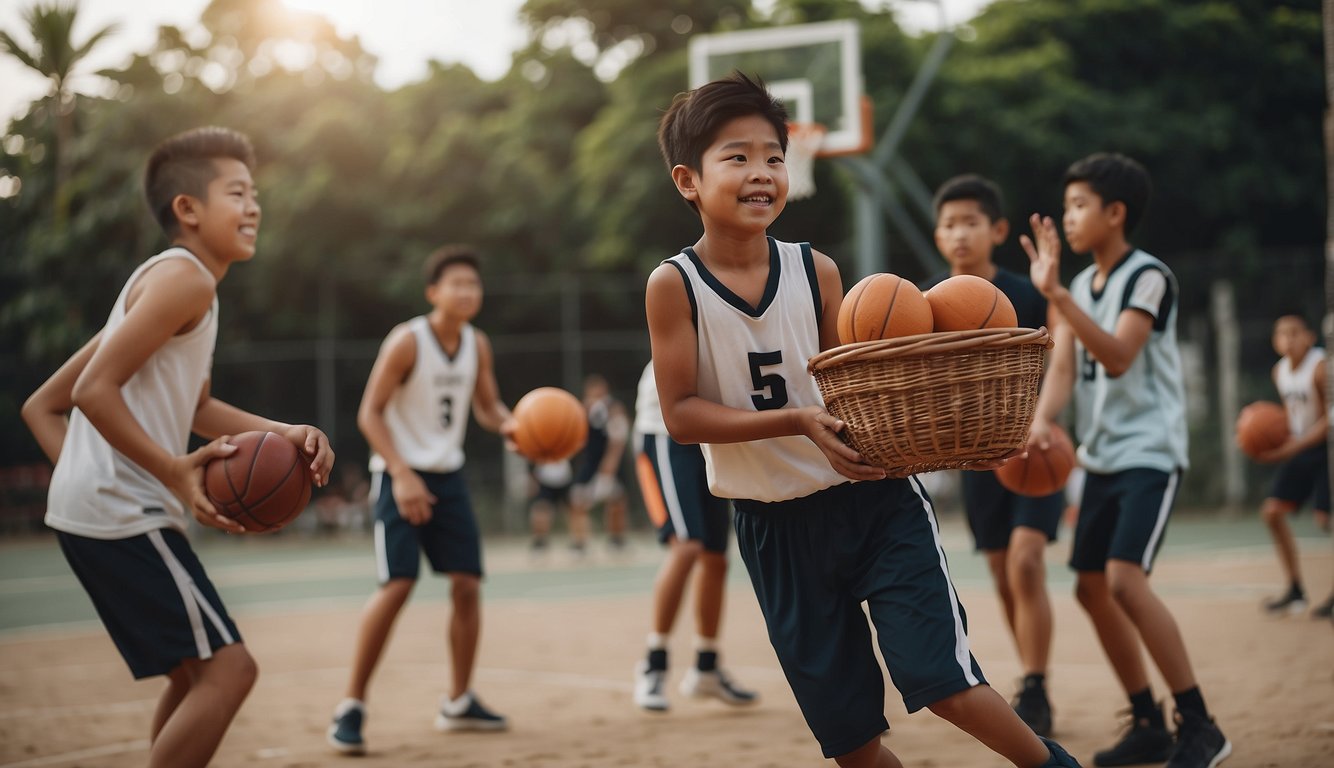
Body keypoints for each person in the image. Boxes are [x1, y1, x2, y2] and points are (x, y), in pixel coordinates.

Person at [645, 72, 1080, 768]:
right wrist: (794, 420)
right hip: (774, 525)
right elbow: (681, 415)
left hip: (872, 497)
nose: (762, 173)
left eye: (774, 157)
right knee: (852, 743)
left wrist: (946, 409)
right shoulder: (675, 285)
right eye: (738, 157)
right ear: (688, 180)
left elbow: (855, 388)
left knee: (945, 682)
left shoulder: (817, 272)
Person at [20, 126, 335, 768]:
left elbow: (186, 409)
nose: (254, 207)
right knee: (231, 672)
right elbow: (91, 390)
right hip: (121, 515)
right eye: (238, 192)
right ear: (187, 209)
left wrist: (284, 433)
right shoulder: (185, 280)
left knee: (195, 676)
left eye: (255, 194)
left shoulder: (176, 287)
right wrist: (162, 473)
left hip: (106, 511)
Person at [1023, 152, 1230, 768]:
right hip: (1102, 457)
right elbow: (1062, 369)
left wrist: (1056, 292)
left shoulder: (1148, 277)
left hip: (1151, 452)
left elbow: (1116, 356)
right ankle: (1147, 721)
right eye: (1066, 206)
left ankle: (1199, 724)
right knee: (1090, 587)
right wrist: (1040, 421)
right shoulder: (1078, 288)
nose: (1069, 218)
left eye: (1080, 206)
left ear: (1116, 213)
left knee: (1122, 578)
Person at [327, 245, 515, 755]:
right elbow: (370, 414)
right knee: (397, 584)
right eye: (456, 284)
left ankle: (458, 700)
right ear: (433, 292)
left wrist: (515, 424)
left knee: (467, 585)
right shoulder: (407, 341)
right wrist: (402, 472)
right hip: (398, 474)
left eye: (473, 285)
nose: (466, 292)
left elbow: (487, 407)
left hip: (447, 476)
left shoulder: (478, 344)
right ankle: (352, 705)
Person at [920, 174, 1065, 736]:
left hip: (1035, 447)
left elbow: (1059, 361)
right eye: (949, 225)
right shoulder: (924, 304)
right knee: (1005, 573)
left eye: (971, 223)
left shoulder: (1027, 292)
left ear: (997, 230)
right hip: (979, 459)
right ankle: (1032, 675)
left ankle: (1035, 682)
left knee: (1028, 561)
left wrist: (1046, 420)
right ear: (938, 235)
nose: (960, 234)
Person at [630, 360, 758, 712]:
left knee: (716, 559)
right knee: (687, 547)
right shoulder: (691, 304)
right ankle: (653, 664)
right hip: (665, 430)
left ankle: (706, 667)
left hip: (707, 434)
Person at [1250, 313, 1331, 618]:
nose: (1289, 339)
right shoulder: (1279, 371)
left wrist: (1289, 448)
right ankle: (1295, 590)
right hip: (1301, 448)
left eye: (1295, 332)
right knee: (1272, 513)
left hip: (1326, 450)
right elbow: (1288, 418)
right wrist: (1258, 437)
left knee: (1326, 519)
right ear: (1275, 342)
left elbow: (1328, 421)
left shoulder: (1321, 368)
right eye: (1282, 334)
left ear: (1309, 337)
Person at [567, 373, 630, 553]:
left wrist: (610, 464)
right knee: (577, 500)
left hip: (608, 464)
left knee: (616, 501)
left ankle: (616, 540)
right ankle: (579, 543)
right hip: (589, 464)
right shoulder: (581, 410)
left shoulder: (614, 409)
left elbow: (618, 440)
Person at [527, 458, 574, 552]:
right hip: (544, 480)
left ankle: (579, 543)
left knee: (573, 510)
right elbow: (531, 455)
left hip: (566, 478)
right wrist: (532, 477)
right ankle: (540, 542)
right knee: (541, 509)